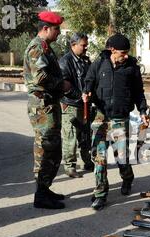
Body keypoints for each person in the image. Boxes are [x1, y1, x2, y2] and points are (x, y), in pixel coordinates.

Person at [83, 33, 149, 211]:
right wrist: (87, 90)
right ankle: (100, 193)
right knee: (99, 157)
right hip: (100, 117)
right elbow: (89, 80)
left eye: (127, 52)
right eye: (123, 52)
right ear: (112, 50)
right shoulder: (99, 63)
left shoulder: (131, 67)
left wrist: (143, 110)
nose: (125, 55)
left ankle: (127, 178)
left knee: (121, 157)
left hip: (120, 118)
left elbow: (138, 92)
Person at [24, 11, 71, 209]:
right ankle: (41, 195)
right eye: (56, 29)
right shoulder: (37, 47)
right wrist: (62, 85)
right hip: (43, 107)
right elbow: (39, 78)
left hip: (49, 105)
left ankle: (45, 189)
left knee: (52, 149)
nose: (59, 33)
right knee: (46, 150)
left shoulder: (46, 47)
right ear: (45, 29)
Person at [59, 32, 93, 178]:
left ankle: (87, 160)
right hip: (71, 104)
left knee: (85, 134)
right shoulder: (65, 62)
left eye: (86, 45)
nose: (86, 48)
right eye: (83, 45)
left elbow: (91, 79)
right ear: (73, 45)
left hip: (86, 105)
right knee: (71, 136)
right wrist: (80, 95)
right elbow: (65, 85)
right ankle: (70, 166)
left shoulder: (85, 61)